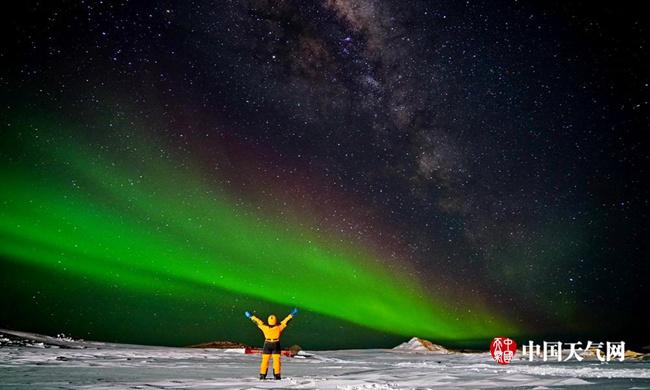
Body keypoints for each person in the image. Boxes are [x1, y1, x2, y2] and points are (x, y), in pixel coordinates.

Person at [245, 308, 298, 380]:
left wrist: (250, 316)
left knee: (265, 360)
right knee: (276, 360)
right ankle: (277, 375)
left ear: (268, 321)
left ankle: (262, 375)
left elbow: (257, 321)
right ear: (275, 321)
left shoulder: (264, 327)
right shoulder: (279, 327)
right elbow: (286, 321)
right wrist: (292, 315)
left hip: (267, 344)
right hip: (276, 344)